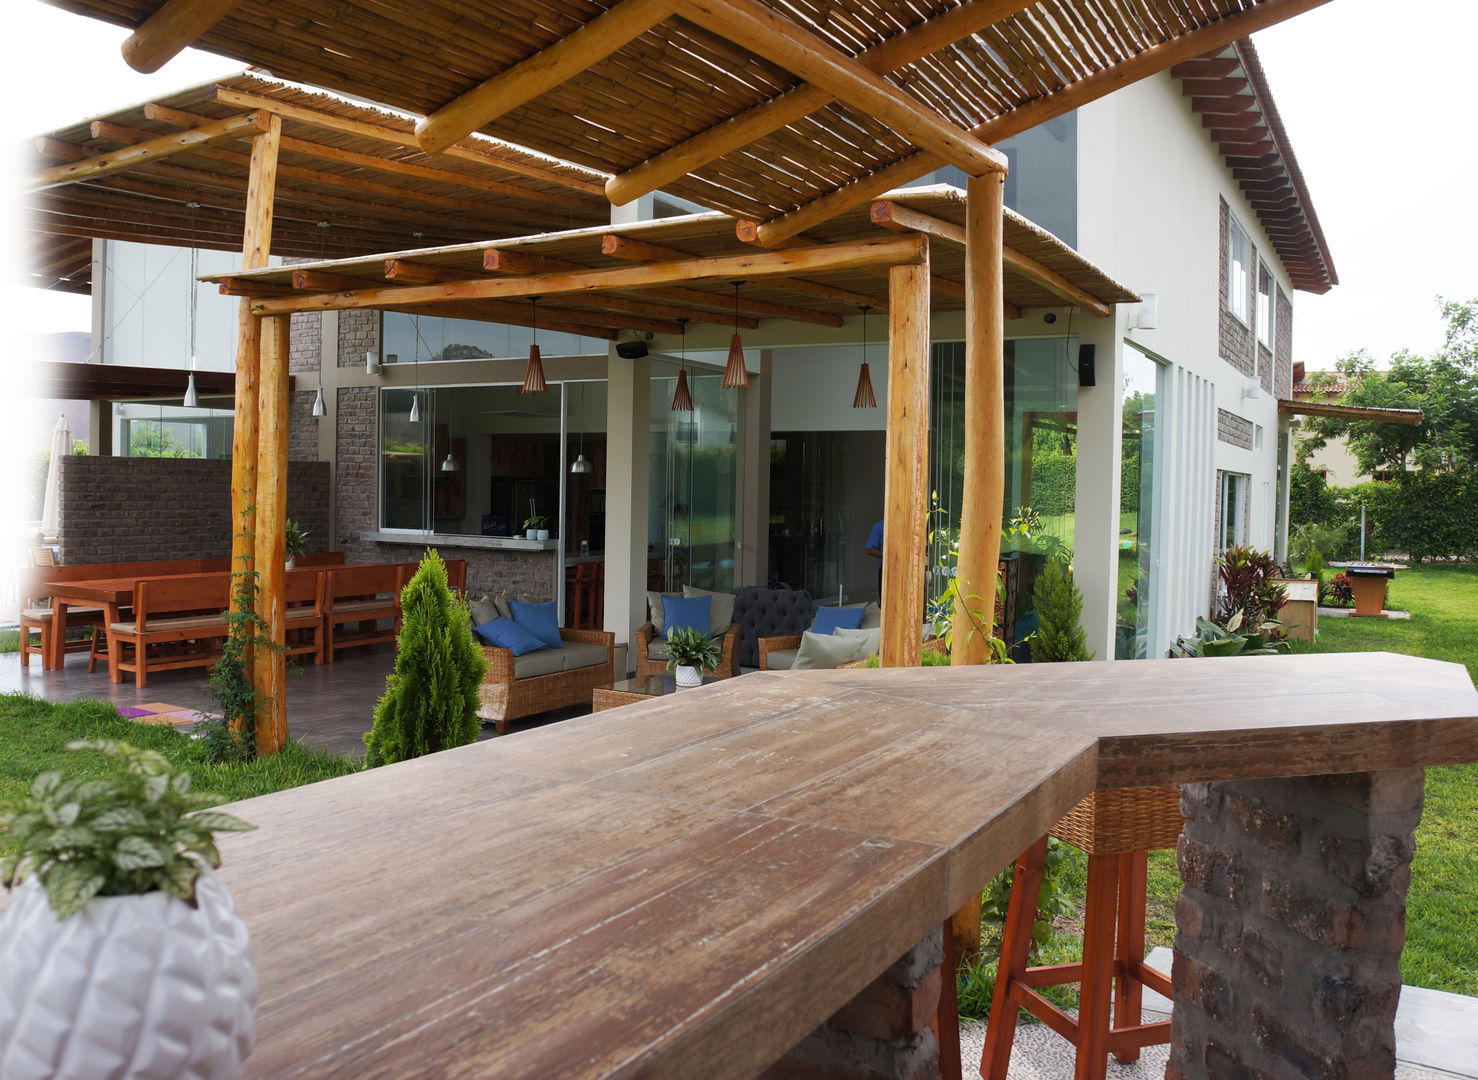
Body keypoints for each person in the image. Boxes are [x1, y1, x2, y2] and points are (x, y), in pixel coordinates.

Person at [866, 518, 884, 595]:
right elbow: (869, 549)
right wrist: (889, 556)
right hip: (886, 568)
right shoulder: (880, 526)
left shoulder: (906, 525)